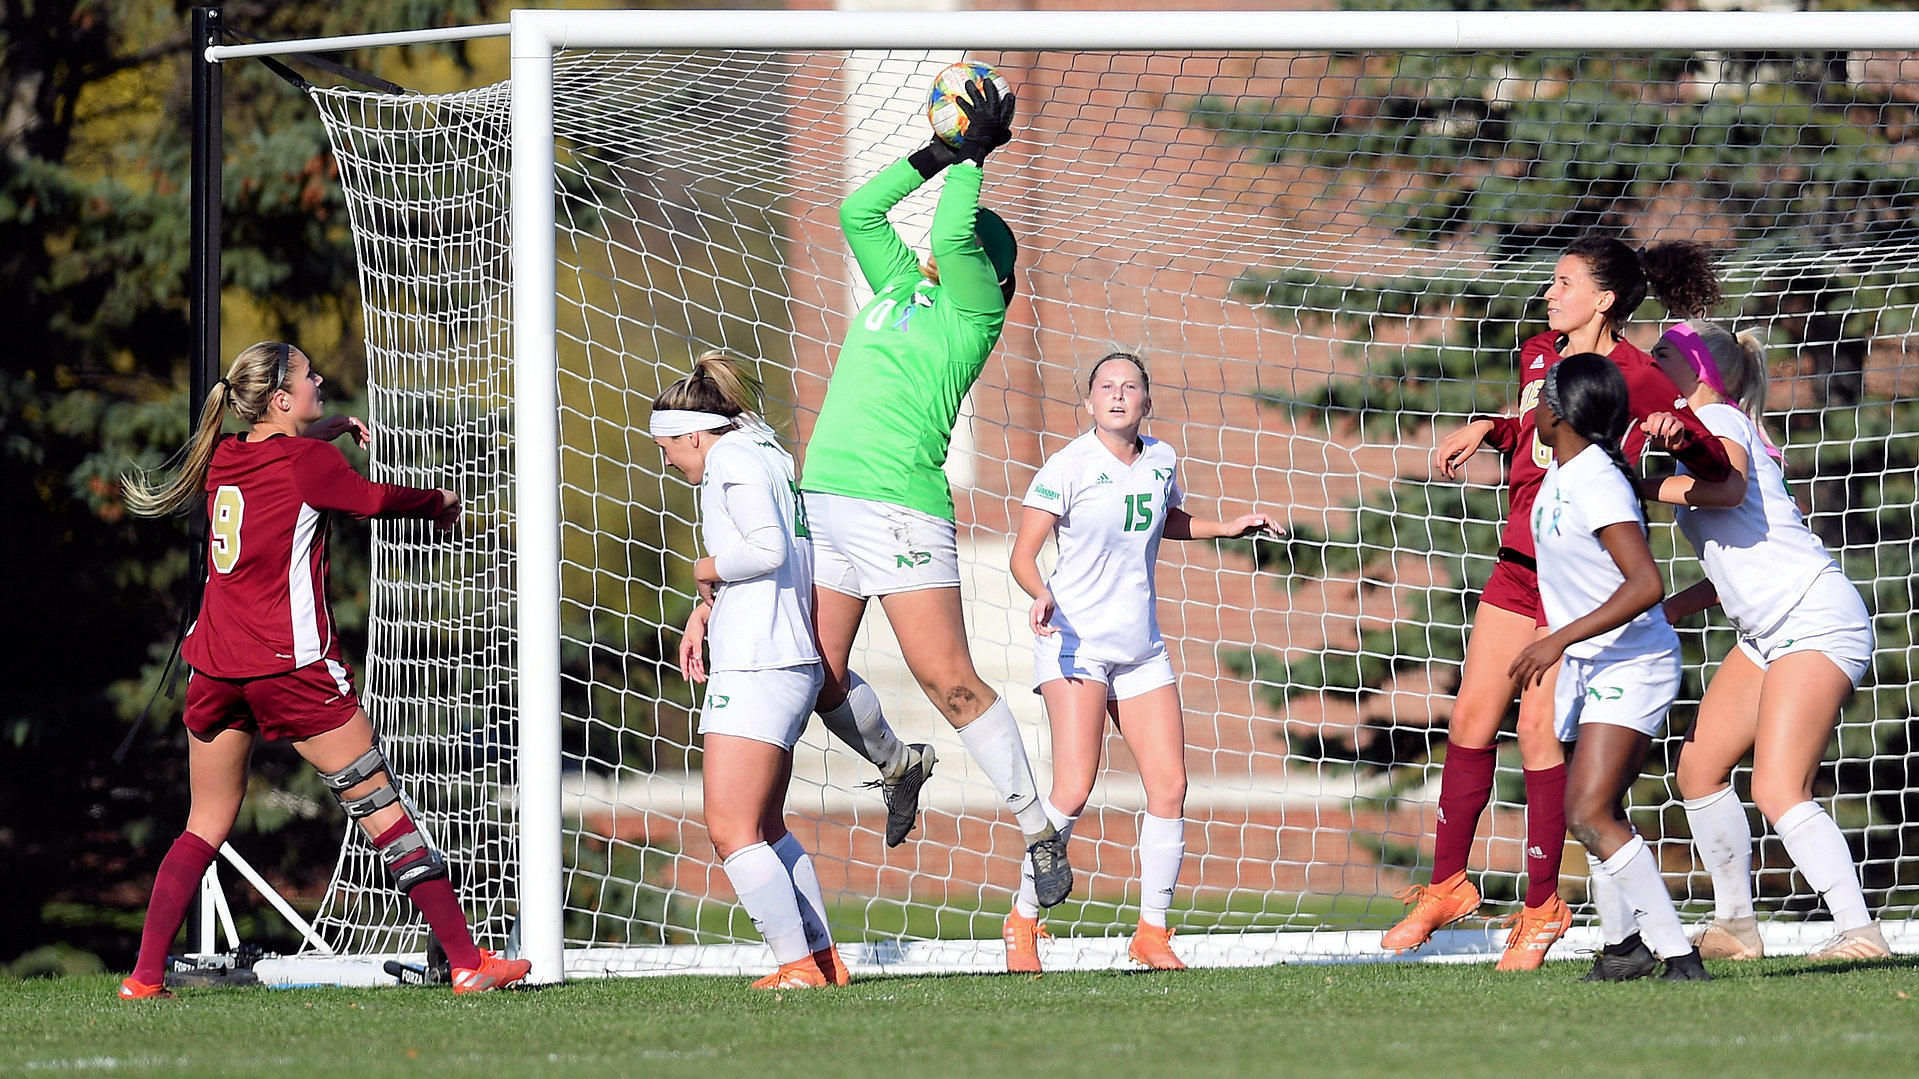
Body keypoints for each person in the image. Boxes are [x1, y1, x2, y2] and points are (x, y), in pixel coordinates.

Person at [118, 342, 528, 998]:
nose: (320, 381)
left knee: (204, 823)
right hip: (293, 670)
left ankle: (142, 977)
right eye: (309, 376)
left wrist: (329, 429)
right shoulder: (310, 461)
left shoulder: (225, 454)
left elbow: (288, 464)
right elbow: (370, 499)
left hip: (215, 670)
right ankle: (468, 962)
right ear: (281, 398)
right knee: (386, 816)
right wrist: (440, 500)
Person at [1399, 236, 1733, 970]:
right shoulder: (1537, 353)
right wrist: (1491, 426)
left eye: (1562, 282)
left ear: (1603, 299)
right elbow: (1538, 432)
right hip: (1517, 565)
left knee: (1540, 738)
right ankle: (1447, 883)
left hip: (1573, 583)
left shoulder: (1638, 377)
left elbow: (1710, 459)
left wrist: (1684, 444)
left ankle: (1541, 906)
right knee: (1470, 716)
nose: (1548, 294)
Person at [798, 77, 1073, 903]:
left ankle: (1036, 828)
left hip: (898, 505)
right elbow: (857, 213)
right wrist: (940, 151)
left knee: (949, 681)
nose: (944, 251)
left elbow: (955, 231)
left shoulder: (973, 317)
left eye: (973, 256)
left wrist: (973, 160)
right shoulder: (897, 290)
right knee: (812, 672)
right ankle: (896, 764)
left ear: (991, 278)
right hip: (826, 497)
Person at [1004, 352, 1281, 973]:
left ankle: (1151, 934)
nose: (1119, 395)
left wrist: (1228, 526)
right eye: (1106, 386)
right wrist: (1039, 591)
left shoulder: (1161, 459)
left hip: (1141, 649)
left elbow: (1165, 518)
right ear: (1090, 402)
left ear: (1147, 403)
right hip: (1075, 642)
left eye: (1130, 387)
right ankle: (1023, 918)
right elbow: (1024, 555)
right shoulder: (1067, 467)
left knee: (1171, 786)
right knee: (1074, 787)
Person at [1641, 321, 1889, 962]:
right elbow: (1736, 565)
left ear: (1697, 371)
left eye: (1662, 352)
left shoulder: (1720, 418)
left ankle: (1861, 935)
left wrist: (1638, 484)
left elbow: (1735, 488)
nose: (1648, 358)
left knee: (1777, 788)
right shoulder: (1701, 435)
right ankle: (1736, 928)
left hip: (1813, 617)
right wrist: (1669, 609)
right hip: (1766, 629)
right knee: (1698, 768)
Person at [1508, 353, 1709, 982]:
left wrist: (1556, 639)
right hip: (1589, 665)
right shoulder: (1564, 475)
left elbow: (1644, 583)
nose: (1532, 405)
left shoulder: (1596, 479)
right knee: (1593, 810)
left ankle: (1678, 955)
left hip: (1633, 661)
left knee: (1589, 813)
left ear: (1561, 412)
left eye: (1541, 397)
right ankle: (1624, 949)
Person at [655, 350, 849, 990]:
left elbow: (762, 549)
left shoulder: (729, 463)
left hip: (759, 663)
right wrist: (703, 611)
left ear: (690, 434)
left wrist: (702, 571)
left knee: (730, 828)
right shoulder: (764, 453)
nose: (667, 461)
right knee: (766, 827)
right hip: (787, 656)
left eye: (668, 449)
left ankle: (795, 966)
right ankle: (822, 958)